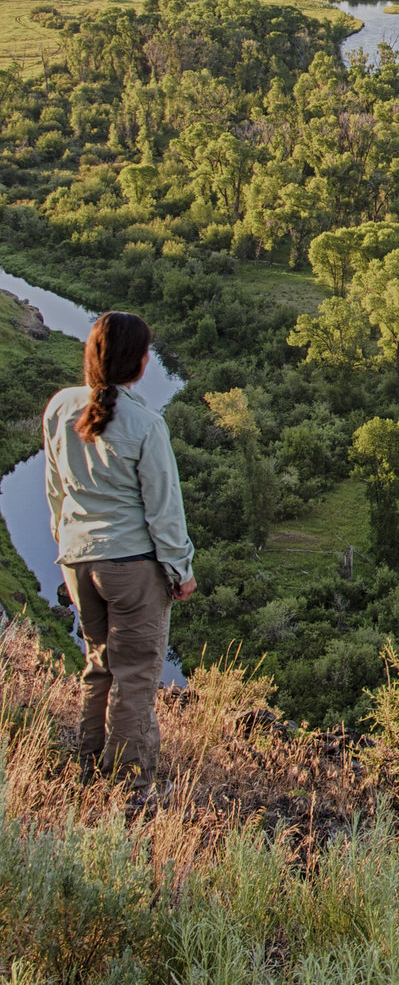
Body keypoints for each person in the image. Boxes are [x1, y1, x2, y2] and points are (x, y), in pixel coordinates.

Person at [43, 310, 195, 785]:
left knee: (99, 665)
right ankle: (130, 783)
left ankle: (87, 767)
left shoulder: (60, 407)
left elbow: (55, 492)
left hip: (77, 557)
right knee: (135, 676)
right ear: (141, 363)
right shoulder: (146, 424)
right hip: (130, 565)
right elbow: (163, 508)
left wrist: (67, 543)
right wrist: (180, 568)